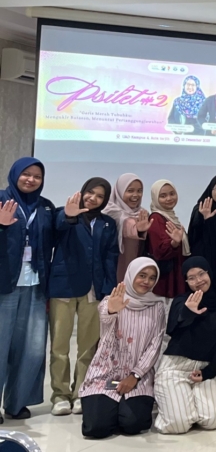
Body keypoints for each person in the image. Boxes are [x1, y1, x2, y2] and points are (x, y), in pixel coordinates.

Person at [48, 178, 118, 416]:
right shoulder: (65, 213)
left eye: (100, 196)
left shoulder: (107, 223)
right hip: (64, 287)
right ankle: (60, 395)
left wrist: (108, 289)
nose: (93, 198)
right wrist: (68, 216)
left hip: (93, 289)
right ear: (82, 191)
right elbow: (57, 229)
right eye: (90, 192)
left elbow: (110, 257)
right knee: (59, 346)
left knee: (87, 347)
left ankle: (81, 392)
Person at [79, 257, 166, 438]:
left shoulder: (157, 306)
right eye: (142, 275)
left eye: (152, 278)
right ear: (131, 275)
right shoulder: (113, 300)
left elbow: (155, 344)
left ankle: (121, 409)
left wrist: (135, 375)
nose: (146, 281)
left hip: (139, 376)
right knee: (96, 428)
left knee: (133, 424)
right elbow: (105, 320)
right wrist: (112, 310)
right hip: (105, 373)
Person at [154, 256, 216, 434]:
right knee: (178, 425)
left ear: (209, 273)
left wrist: (209, 372)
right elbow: (173, 328)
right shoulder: (181, 300)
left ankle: (186, 404)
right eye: (191, 278)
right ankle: (178, 405)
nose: (198, 280)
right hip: (175, 367)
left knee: (214, 420)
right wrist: (188, 312)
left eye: (201, 274)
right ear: (186, 281)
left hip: (205, 369)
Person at [0, 157, 55, 421]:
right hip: (4, 285)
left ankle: (17, 402)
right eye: (26, 174)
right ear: (15, 174)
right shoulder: (1, 200)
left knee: (32, 348)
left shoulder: (45, 207)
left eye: (37, 176)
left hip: (35, 285)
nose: (31, 180)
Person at [103, 173, 151, 282]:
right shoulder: (110, 212)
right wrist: (136, 229)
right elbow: (126, 226)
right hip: (114, 262)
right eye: (130, 191)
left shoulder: (142, 213)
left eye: (139, 191)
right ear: (119, 191)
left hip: (135, 261)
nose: (136, 195)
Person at [146, 180, 189, 300]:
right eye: (163, 196)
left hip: (175, 272)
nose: (169, 198)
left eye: (172, 193)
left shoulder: (171, 217)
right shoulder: (156, 218)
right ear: (155, 198)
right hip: (166, 279)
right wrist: (174, 243)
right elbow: (158, 251)